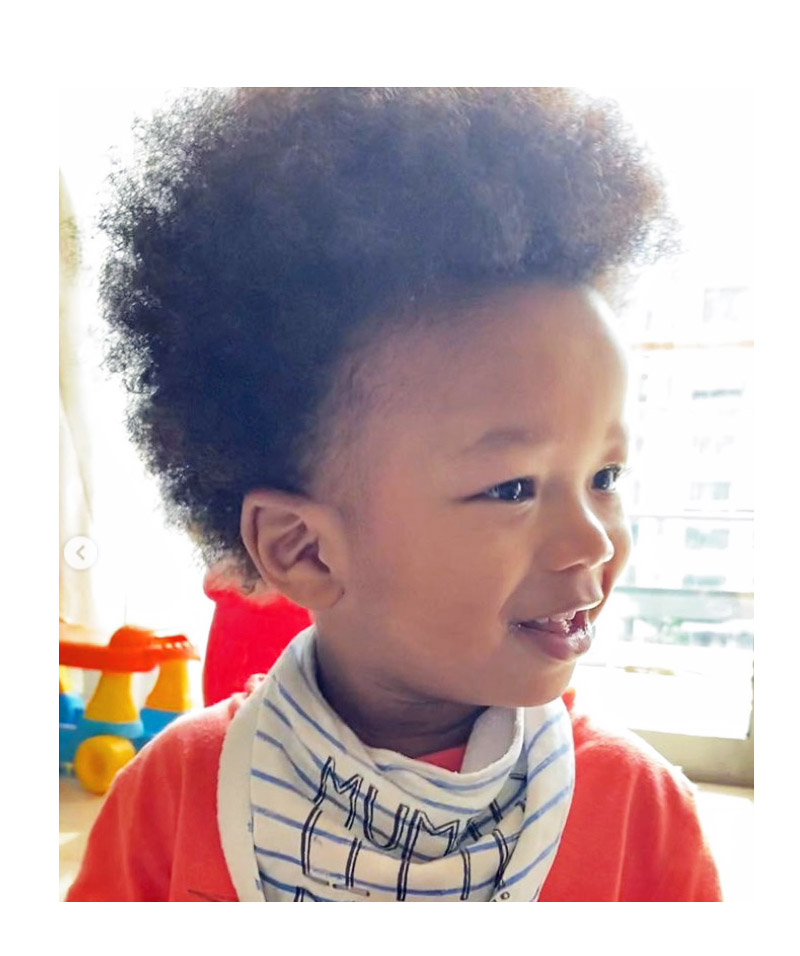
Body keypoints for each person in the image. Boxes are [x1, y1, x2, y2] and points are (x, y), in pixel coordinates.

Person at [66, 87, 721, 902]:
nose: (592, 539)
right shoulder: (172, 798)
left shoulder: (640, 819)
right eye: (513, 487)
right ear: (304, 549)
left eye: (605, 477)